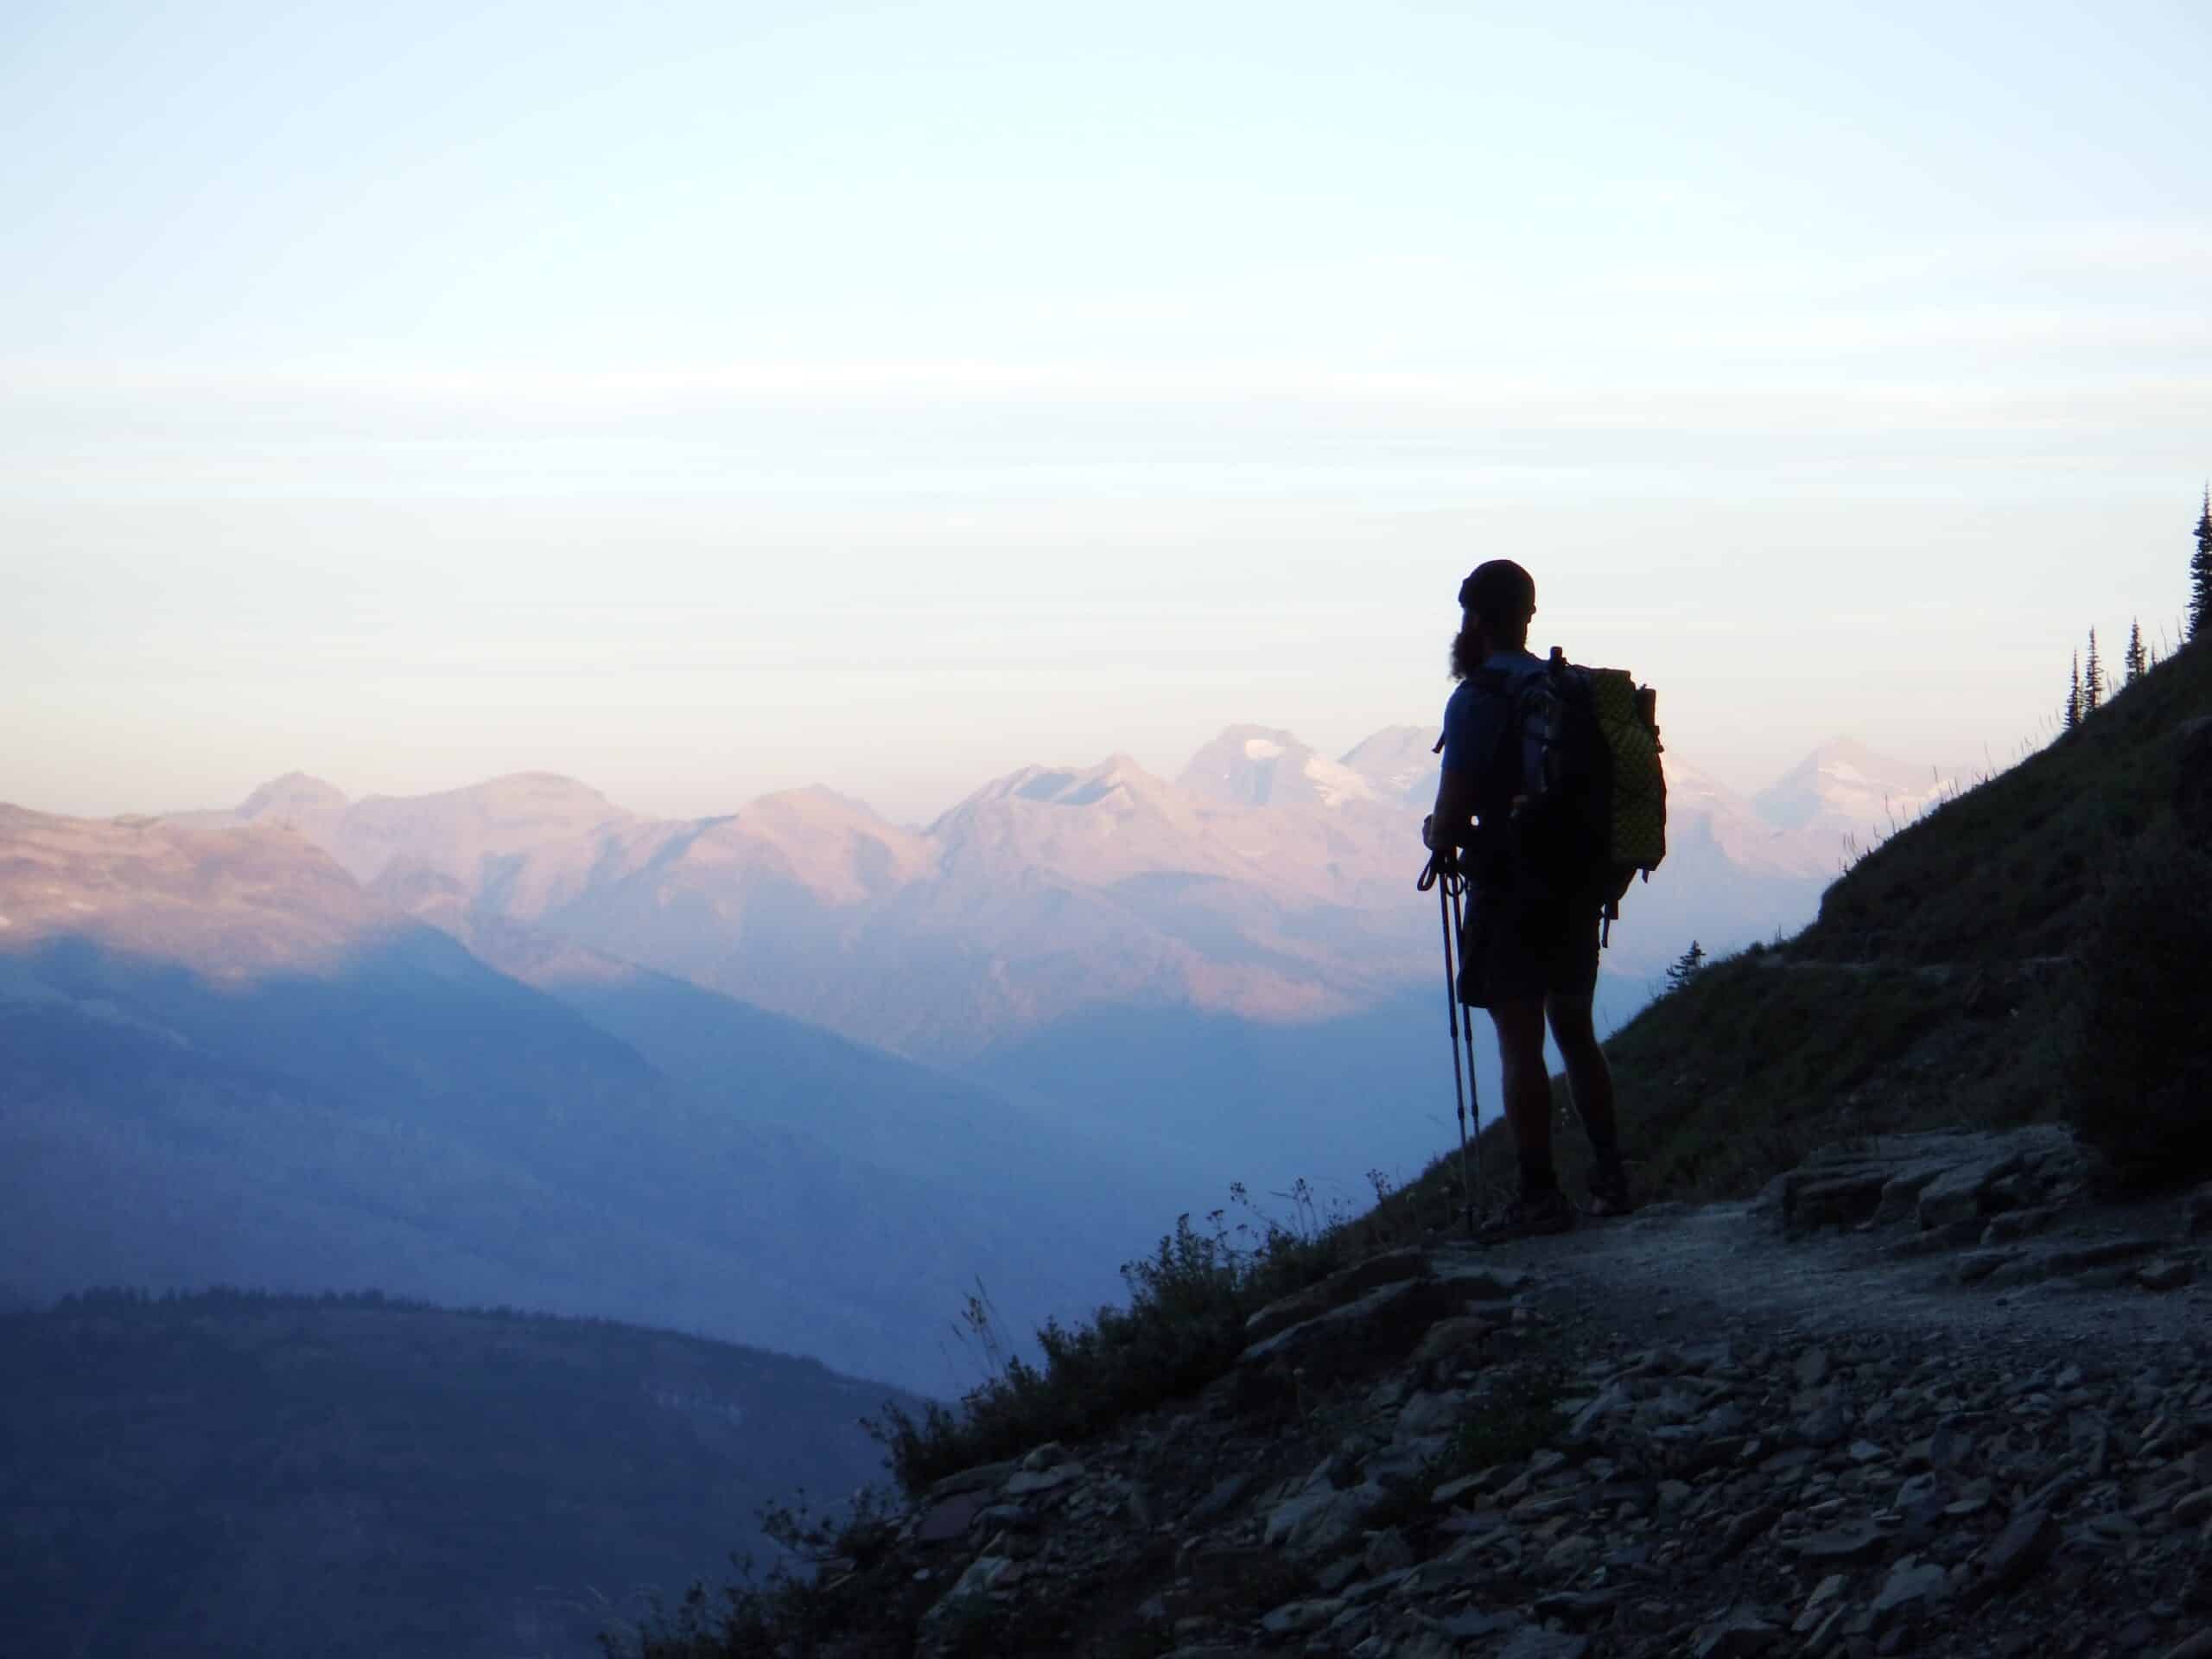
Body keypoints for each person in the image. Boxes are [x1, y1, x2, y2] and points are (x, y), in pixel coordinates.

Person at [1427, 559, 1633, 1239]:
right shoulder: (1567, 689)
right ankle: (1611, 1178)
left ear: (1476, 620)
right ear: (1528, 615)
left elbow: (1453, 818)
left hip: (1511, 887)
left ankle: (1539, 1197)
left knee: (1521, 1042)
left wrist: (1438, 833)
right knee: (1576, 1029)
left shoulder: (1477, 698)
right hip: (1578, 885)